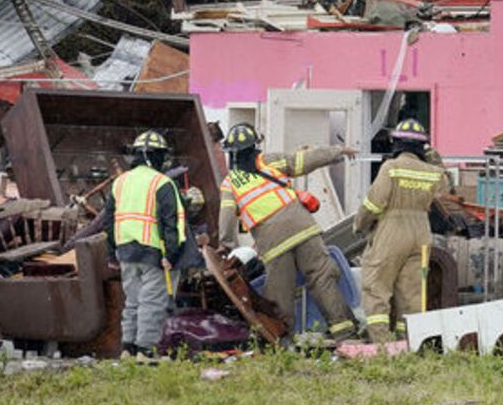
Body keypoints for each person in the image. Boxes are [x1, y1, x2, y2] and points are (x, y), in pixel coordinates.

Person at [216, 123, 357, 341]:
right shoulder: (270, 161)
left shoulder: (229, 184)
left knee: (279, 291)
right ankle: (345, 332)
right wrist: (337, 151)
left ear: (231, 155)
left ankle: (282, 340)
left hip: (273, 242)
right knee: (322, 277)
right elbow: (304, 160)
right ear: (255, 146)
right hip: (304, 229)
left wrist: (227, 247)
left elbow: (226, 220)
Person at [355, 119, 450, 343]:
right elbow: (447, 191)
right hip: (421, 233)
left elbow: (374, 203)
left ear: (396, 143)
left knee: (376, 287)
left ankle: (381, 345)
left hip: (392, 230)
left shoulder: (391, 167)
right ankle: (408, 343)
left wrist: (360, 224)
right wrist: (437, 162)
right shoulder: (433, 172)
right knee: (412, 293)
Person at [100, 129, 186, 357]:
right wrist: (172, 254)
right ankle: (147, 351)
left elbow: (108, 222)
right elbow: (172, 223)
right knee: (152, 303)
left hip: (126, 252)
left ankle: (128, 347)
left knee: (133, 301)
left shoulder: (120, 182)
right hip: (153, 252)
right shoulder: (162, 183)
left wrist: (111, 254)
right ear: (158, 156)